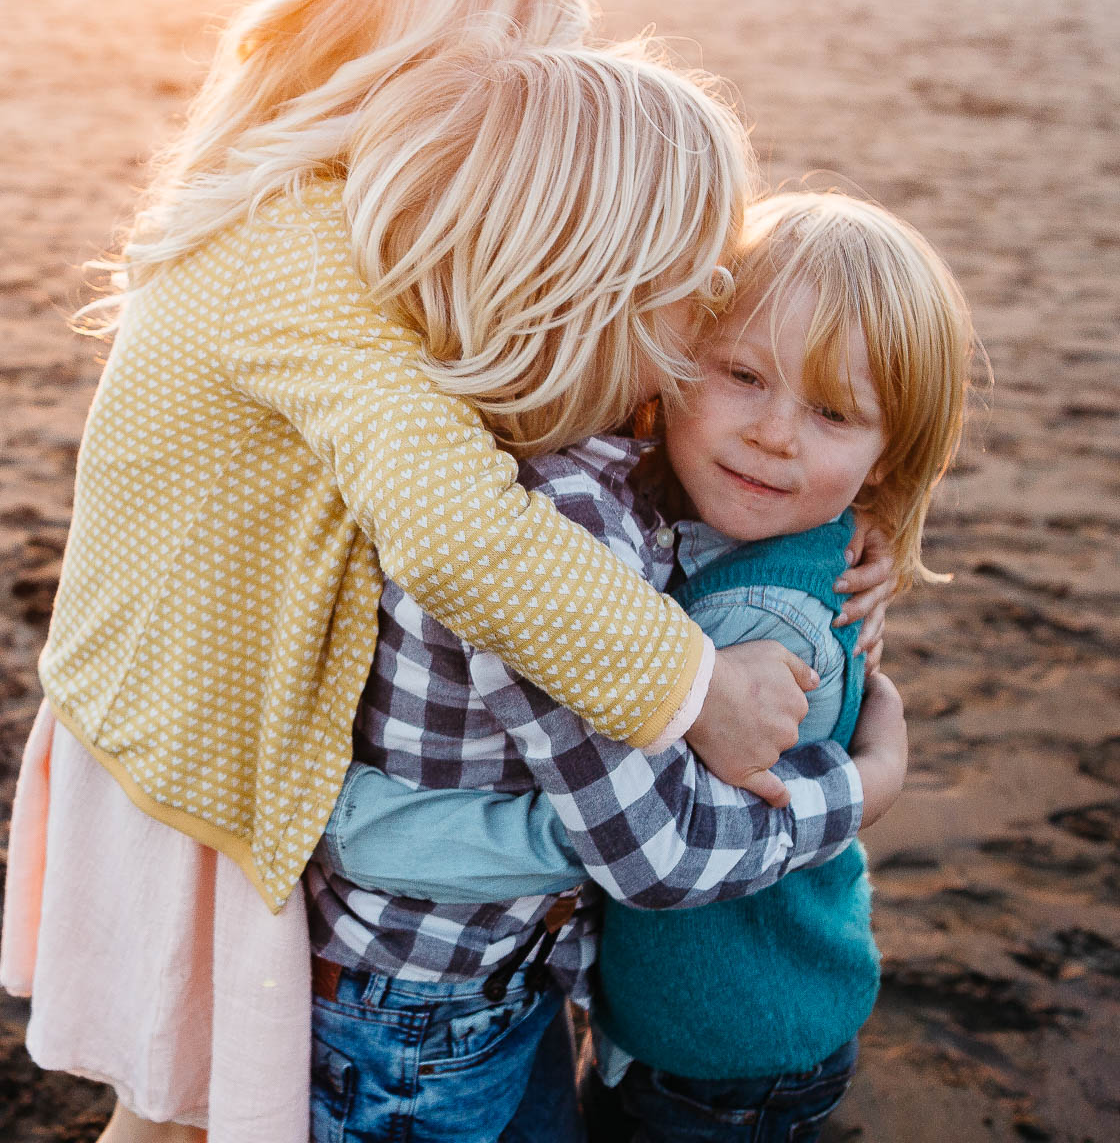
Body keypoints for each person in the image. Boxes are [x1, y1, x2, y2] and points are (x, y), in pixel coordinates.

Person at [0, 0, 893, 1140]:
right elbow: (467, 532)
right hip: (210, 756)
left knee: (192, 1110)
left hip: (178, 716)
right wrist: (697, 689)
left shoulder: (312, 221)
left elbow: (548, 361)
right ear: (422, 79)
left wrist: (836, 523)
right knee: (181, 1112)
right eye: (515, 77)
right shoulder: (305, 250)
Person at [315, 191, 975, 1142]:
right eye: (743, 374)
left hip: (726, 1045)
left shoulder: (757, 618)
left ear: (886, 458)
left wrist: (866, 787)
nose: (775, 433)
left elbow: (650, 838)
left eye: (832, 412)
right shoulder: (706, 516)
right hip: (688, 1015)